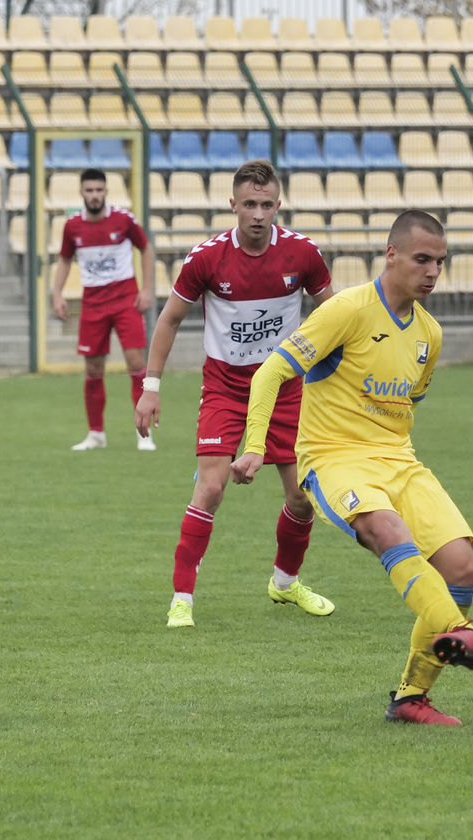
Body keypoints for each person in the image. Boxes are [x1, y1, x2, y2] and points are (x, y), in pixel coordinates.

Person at [231, 210, 473, 726]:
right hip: (333, 457)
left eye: (440, 262)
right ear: (391, 254)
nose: (433, 272)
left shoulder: (430, 334)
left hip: (398, 459)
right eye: (422, 259)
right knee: (383, 528)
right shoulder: (347, 310)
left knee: (463, 567)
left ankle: (411, 699)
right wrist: (255, 446)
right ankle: (455, 629)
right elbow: (271, 372)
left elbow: (407, 405)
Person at [135, 159, 336, 629]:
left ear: (278, 205)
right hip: (225, 388)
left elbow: (335, 316)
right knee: (210, 487)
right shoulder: (206, 259)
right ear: (233, 205)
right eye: (249, 204)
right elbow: (169, 319)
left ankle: (285, 583)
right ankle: (182, 599)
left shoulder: (303, 254)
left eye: (266, 205)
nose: (258, 214)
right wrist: (150, 387)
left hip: (285, 388)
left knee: (303, 497)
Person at [52, 168, 156, 451]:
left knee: (136, 363)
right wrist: (57, 293)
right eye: (90, 190)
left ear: (106, 191)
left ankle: (144, 434)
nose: (95, 195)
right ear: (81, 192)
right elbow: (64, 260)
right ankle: (96, 434)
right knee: (93, 368)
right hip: (93, 303)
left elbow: (146, 249)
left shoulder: (124, 219)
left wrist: (146, 289)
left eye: (99, 190)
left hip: (125, 300)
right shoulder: (73, 226)